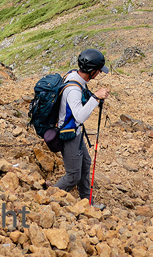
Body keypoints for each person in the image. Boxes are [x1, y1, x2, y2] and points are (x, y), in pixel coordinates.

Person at [53, 48, 109, 200]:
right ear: (92, 71)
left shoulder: (75, 76)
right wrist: (95, 97)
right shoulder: (73, 89)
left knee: (85, 164)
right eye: (98, 70)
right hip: (68, 134)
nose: (99, 74)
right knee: (73, 176)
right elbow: (79, 116)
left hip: (75, 132)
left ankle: (86, 203)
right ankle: (47, 197)